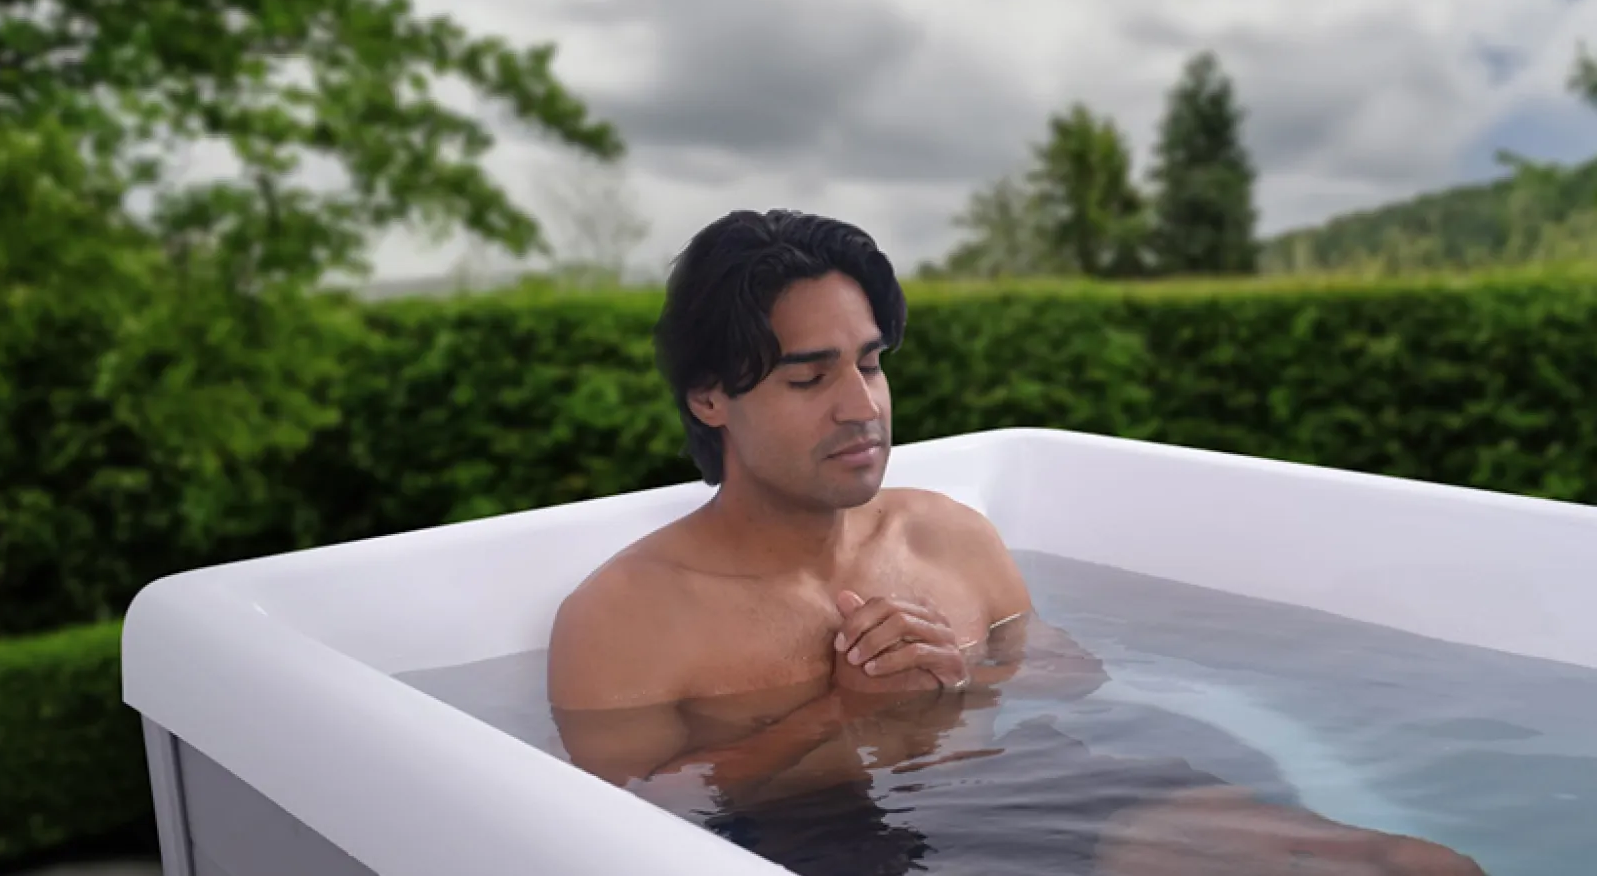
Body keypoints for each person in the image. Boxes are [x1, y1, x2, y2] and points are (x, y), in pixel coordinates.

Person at [546, 210, 1486, 875]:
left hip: (1021, 780)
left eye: (871, 364)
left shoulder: (944, 534)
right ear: (710, 396)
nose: (861, 406)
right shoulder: (627, 615)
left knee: (1392, 864)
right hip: (815, 837)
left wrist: (957, 671)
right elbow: (631, 824)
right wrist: (841, 711)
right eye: (809, 378)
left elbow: (1074, 677)